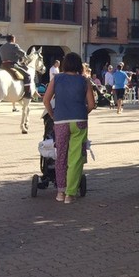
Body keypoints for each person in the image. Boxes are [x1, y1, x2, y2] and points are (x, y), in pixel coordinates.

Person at [42, 52, 95, 204]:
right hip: (79, 120)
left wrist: (53, 115)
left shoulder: (56, 79)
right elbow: (91, 105)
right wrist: (83, 113)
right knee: (76, 157)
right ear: (79, 65)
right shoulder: (85, 81)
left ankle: (60, 192)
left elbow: (46, 100)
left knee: (61, 157)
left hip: (60, 121)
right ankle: (70, 194)